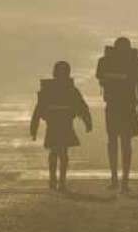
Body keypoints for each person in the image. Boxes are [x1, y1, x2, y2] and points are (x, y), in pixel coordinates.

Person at [30, 61, 93, 191]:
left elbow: (38, 111)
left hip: (55, 125)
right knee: (62, 153)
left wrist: (34, 129)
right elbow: (82, 108)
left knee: (55, 152)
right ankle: (59, 180)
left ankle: (55, 179)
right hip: (63, 124)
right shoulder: (71, 90)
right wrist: (87, 122)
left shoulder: (49, 90)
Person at [95, 37, 138, 192]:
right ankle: (119, 180)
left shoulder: (107, 61)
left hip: (120, 106)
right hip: (122, 106)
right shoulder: (132, 62)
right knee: (121, 143)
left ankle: (119, 180)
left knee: (119, 143)